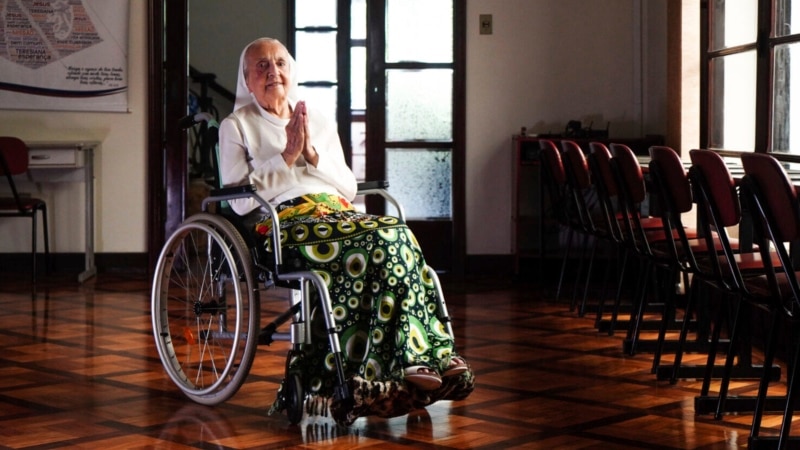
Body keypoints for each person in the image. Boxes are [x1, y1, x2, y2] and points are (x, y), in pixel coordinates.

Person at [218, 37, 473, 424]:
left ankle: (426, 355)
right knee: (378, 238)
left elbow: (348, 187)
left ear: (292, 70)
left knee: (394, 233)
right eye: (262, 67)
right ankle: (388, 366)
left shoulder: (316, 119)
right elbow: (238, 201)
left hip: (336, 214)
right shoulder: (236, 125)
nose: (273, 72)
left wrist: (312, 155)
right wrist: (286, 156)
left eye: (280, 63)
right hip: (284, 224)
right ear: (247, 81)